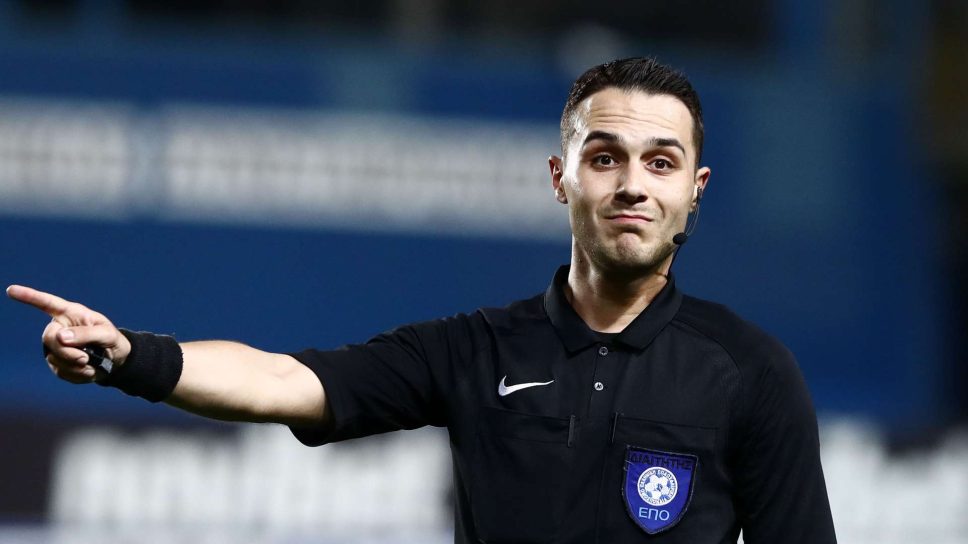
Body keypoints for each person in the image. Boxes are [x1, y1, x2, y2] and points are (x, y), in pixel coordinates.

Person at [7, 57, 836, 543]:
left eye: (660, 163)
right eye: (604, 157)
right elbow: (286, 381)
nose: (632, 185)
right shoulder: (476, 349)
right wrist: (129, 357)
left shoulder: (751, 372)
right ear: (561, 178)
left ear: (695, 190)